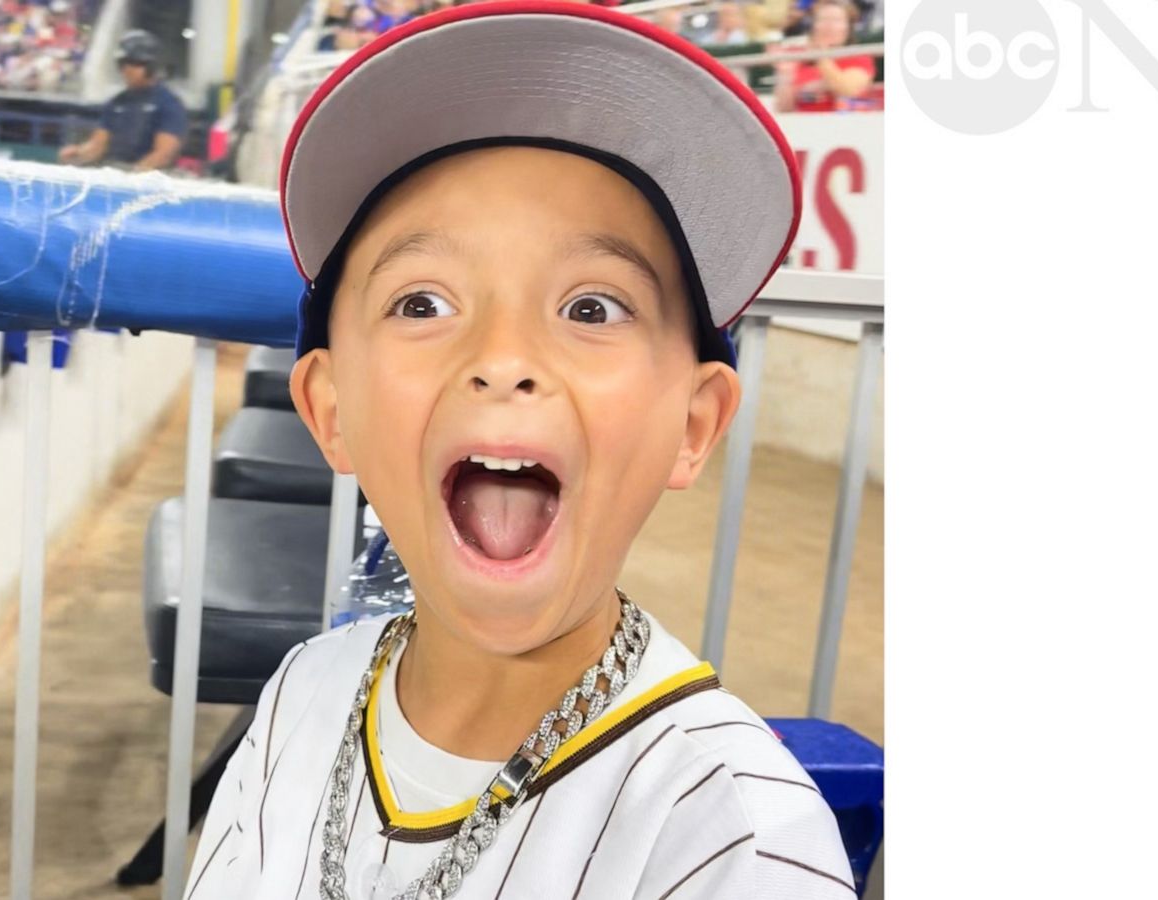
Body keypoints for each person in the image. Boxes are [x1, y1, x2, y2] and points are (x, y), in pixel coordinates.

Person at [184, 3, 852, 898]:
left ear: (692, 425)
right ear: (330, 407)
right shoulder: (302, 690)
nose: (503, 361)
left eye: (592, 307)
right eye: (422, 303)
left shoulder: (738, 834)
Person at [58, 31, 189, 171]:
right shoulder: (117, 103)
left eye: (135, 63)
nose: (127, 69)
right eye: (123, 64)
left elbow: (164, 154)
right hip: (115, 172)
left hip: (152, 179)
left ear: (151, 66)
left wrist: (133, 177)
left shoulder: (168, 103)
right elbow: (97, 146)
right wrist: (78, 153)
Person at [773, 0, 875, 112]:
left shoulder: (858, 57)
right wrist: (785, 75)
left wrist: (821, 57)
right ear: (813, 26)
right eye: (822, 19)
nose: (829, 25)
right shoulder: (800, 59)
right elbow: (784, 109)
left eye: (836, 20)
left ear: (848, 28)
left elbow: (847, 90)